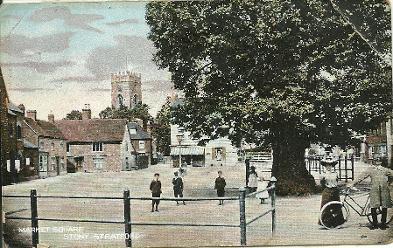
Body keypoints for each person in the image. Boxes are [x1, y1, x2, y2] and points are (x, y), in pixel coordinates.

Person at [348, 158, 393, 229]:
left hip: (384, 190)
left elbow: (392, 174)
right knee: (373, 206)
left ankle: (383, 223)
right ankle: (374, 224)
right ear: (374, 161)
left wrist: (389, 182)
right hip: (374, 190)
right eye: (376, 160)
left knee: (384, 206)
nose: (377, 162)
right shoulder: (371, 170)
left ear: (381, 162)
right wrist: (353, 183)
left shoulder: (385, 170)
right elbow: (361, 177)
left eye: (379, 160)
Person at [318, 155, 345, 228]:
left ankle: (337, 222)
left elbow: (337, 181)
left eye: (330, 165)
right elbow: (322, 184)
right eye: (327, 165)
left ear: (332, 166)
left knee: (336, 206)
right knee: (326, 206)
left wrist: (335, 187)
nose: (328, 167)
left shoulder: (335, 173)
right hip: (327, 191)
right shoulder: (323, 174)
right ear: (325, 166)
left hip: (335, 190)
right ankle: (326, 222)